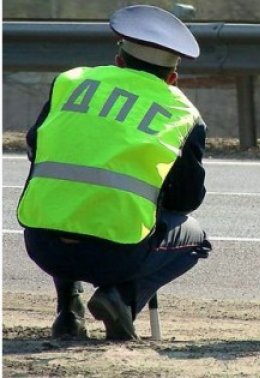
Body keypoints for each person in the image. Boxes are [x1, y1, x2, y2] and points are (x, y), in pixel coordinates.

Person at [17, 5, 212, 340]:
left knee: (68, 201)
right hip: (116, 256)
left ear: (119, 61)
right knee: (195, 239)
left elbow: (35, 146)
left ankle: (68, 311)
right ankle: (121, 298)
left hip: (41, 244)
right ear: (172, 78)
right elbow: (186, 199)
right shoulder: (184, 113)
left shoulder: (70, 82)